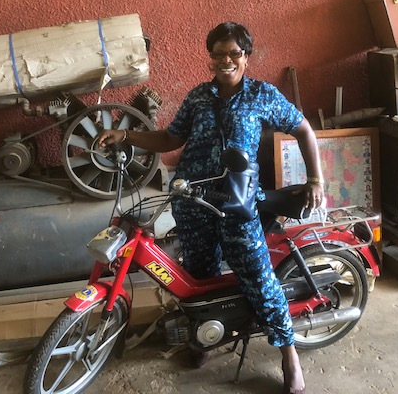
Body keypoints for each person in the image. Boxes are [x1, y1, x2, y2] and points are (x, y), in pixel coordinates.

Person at [98, 22, 324, 394]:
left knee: (257, 276)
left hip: (238, 203)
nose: (226, 61)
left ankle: (289, 354)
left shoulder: (262, 95)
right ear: (211, 59)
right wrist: (126, 135)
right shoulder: (198, 97)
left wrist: (315, 179)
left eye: (234, 53)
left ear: (246, 57)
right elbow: (170, 138)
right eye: (219, 54)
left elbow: (303, 130)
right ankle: (204, 337)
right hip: (192, 200)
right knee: (198, 273)